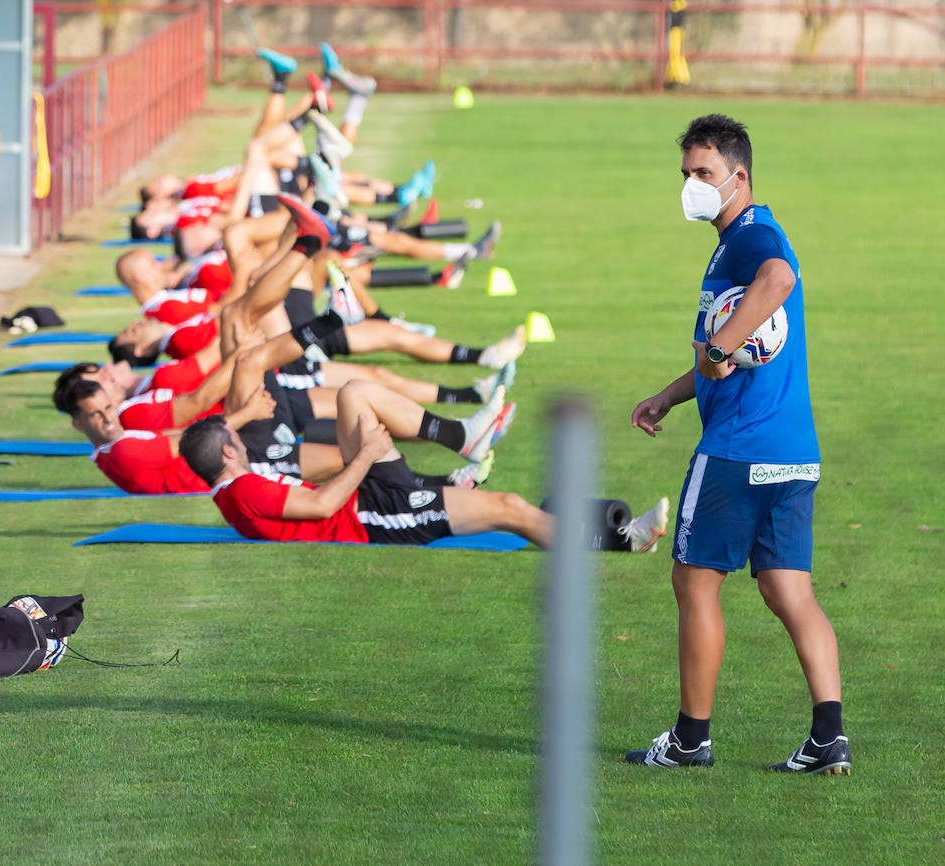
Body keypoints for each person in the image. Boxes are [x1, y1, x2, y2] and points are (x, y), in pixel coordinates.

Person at [625, 114, 849, 775]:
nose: (692, 185)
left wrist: (720, 346)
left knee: (694, 584)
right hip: (793, 451)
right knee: (789, 591)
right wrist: (671, 392)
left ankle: (691, 740)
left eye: (703, 173)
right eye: (686, 174)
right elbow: (724, 351)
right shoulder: (733, 244)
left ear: (738, 176)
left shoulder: (754, 238)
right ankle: (827, 738)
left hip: (736, 453)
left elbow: (778, 280)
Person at [178, 408, 668, 550]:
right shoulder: (242, 489)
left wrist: (366, 455)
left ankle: (460, 435)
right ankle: (621, 540)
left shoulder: (232, 491)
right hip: (372, 519)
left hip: (371, 500)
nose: (242, 439)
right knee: (509, 508)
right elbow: (323, 507)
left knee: (354, 394)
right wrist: (366, 455)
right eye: (234, 436)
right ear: (227, 451)